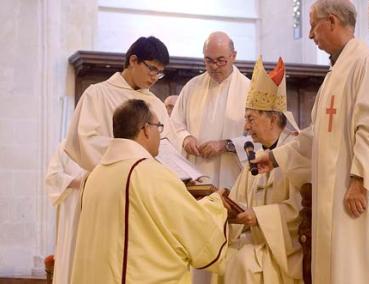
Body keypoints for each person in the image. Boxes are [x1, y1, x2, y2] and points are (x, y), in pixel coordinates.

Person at [252, 1, 369, 283]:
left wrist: (360, 180)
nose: (309, 35)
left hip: (355, 194)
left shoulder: (364, 65)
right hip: (339, 197)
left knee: (359, 266)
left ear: (331, 21)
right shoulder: (337, 72)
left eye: (313, 25)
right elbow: (318, 135)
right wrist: (275, 157)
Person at [71, 99, 229, 284]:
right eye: (158, 127)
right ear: (145, 129)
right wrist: (215, 203)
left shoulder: (94, 176)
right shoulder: (150, 173)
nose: (159, 134)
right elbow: (194, 230)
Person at [219, 57, 303, 284]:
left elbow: (301, 208)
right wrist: (225, 203)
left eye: (251, 119)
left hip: (284, 250)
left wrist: (260, 216)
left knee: (245, 261)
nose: (246, 127)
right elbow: (238, 199)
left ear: (273, 119)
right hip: (256, 242)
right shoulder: (257, 156)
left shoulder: (294, 154)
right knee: (224, 258)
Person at [65, 36, 175, 171]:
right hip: (109, 180)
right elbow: (83, 141)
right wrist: (132, 152)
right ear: (133, 60)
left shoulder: (156, 104)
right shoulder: (97, 94)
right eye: (152, 69)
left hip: (148, 181)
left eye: (159, 73)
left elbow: (167, 147)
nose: (155, 77)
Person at [171, 31, 251, 189]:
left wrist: (226, 145)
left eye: (221, 61)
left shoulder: (250, 90)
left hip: (233, 177)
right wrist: (185, 138)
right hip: (196, 176)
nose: (214, 67)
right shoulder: (192, 87)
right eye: (209, 61)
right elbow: (174, 124)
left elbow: (262, 140)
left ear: (233, 56)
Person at [45, 141, 85, 284]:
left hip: (94, 210)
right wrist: (79, 183)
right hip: (70, 212)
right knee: (70, 254)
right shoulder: (65, 146)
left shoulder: (101, 145)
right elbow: (52, 177)